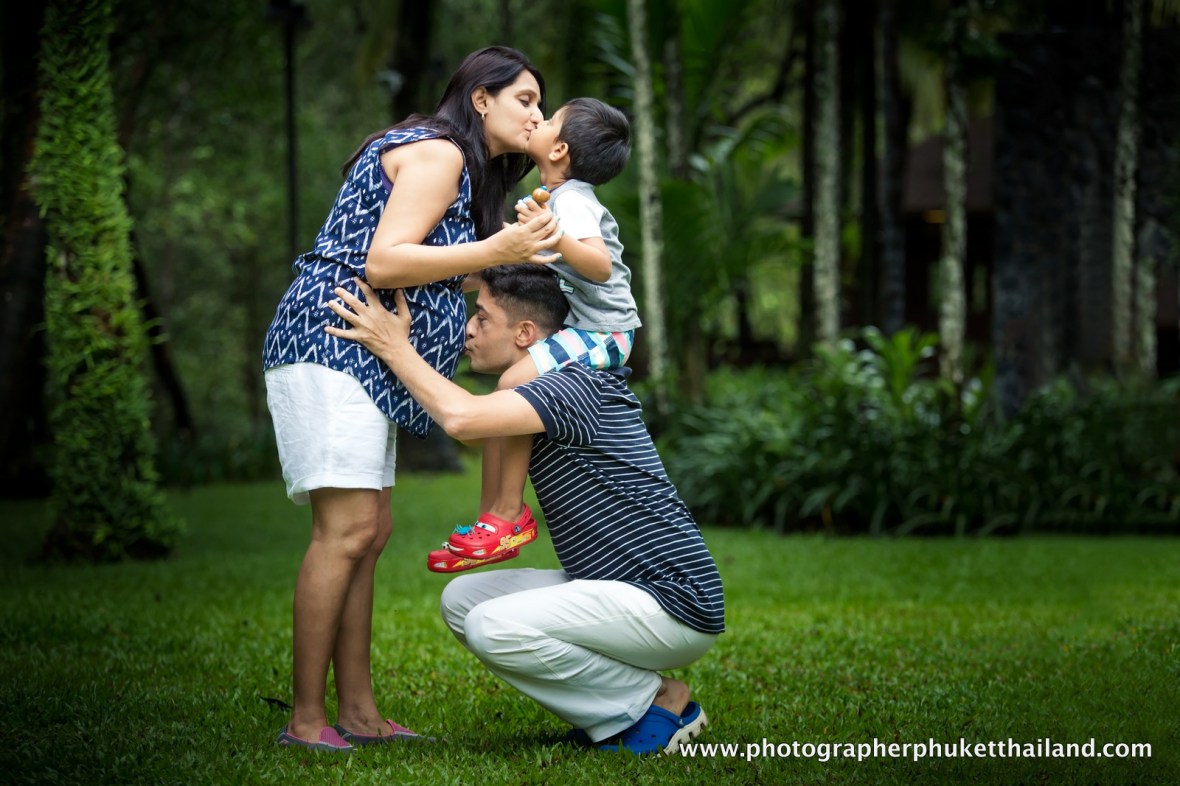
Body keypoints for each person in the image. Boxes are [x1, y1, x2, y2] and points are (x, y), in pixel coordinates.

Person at [260, 46, 560, 753]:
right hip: (332, 337)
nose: (537, 115)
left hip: (364, 351)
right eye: (525, 99)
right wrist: (494, 251)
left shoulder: (459, 169)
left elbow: (428, 271)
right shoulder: (439, 154)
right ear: (481, 100)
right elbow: (385, 260)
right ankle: (306, 721)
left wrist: (515, 251)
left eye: (541, 105)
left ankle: (360, 714)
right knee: (346, 532)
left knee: (370, 530)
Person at [323, 265, 725, 755]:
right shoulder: (545, 386)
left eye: (482, 317)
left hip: (674, 605)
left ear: (525, 333)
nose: (469, 328)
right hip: (621, 592)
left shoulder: (571, 387)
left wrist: (393, 346)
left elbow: (461, 417)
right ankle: (610, 710)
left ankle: (659, 698)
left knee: (492, 625)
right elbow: (473, 419)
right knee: (463, 601)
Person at [437, 98, 640, 573]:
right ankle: (493, 515)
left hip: (605, 333)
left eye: (549, 119)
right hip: (587, 327)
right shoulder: (555, 198)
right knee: (506, 391)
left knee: (510, 387)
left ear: (560, 148)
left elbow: (599, 264)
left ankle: (509, 514)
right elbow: (518, 259)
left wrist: (551, 236)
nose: (538, 120)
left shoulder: (574, 201)